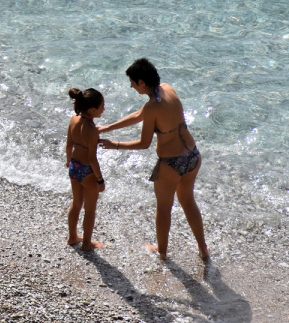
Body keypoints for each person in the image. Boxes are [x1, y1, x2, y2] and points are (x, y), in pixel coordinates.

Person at [98, 58, 209, 260]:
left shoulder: (152, 107)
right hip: (192, 156)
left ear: (141, 82)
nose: (130, 86)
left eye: (132, 82)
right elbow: (139, 114)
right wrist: (107, 127)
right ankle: (203, 249)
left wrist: (113, 144)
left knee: (164, 209)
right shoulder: (168, 89)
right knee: (188, 202)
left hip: (171, 163)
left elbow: (144, 143)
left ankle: (163, 251)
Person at [65, 87, 106, 251]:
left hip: (74, 166)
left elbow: (69, 145)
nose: (104, 109)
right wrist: (100, 179)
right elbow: (91, 158)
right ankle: (87, 243)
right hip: (87, 172)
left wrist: (68, 162)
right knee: (90, 210)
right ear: (93, 109)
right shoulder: (92, 130)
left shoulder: (74, 119)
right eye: (102, 106)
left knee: (76, 203)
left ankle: (72, 236)